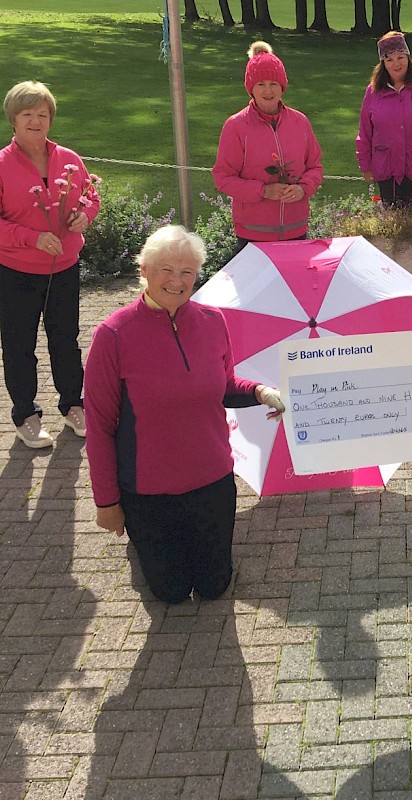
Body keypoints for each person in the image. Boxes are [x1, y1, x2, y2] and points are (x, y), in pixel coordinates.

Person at [84, 226, 286, 603]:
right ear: (143, 269)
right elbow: (98, 427)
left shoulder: (212, 321)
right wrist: (106, 502)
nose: (176, 281)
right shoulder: (113, 335)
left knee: (214, 587)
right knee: (171, 594)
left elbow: (223, 384)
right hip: (149, 491)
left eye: (187, 272)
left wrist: (262, 392)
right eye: (166, 269)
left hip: (212, 479)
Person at [0, 81, 100, 448]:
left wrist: (85, 216)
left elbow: (91, 196)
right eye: (28, 115)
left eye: (43, 114)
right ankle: (25, 414)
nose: (36, 121)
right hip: (16, 271)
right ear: (14, 119)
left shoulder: (69, 159)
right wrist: (32, 238)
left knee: (65, 340)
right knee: (19, 344)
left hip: (63, 268)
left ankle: (73, 404)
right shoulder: (2, 164)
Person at [213, 41, 323, 247]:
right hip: (253, 235)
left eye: (273, 83)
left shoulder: (300, 122)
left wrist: (303, 189)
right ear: (251, 89)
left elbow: (315, 166)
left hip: (296, 229)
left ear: (282, 87)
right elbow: (223, 178)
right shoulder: (236, 126)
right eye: (261, 84)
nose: (268, 90)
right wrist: (263, 191)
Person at [356, 31, 412, 209]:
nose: (396, 63)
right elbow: (365, 132)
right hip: (386, 171)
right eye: (390, 59)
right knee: (390, 226)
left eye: (400, 57)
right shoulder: (372, 92)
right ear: (383, 64)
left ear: (408, 57)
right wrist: (366, 166)